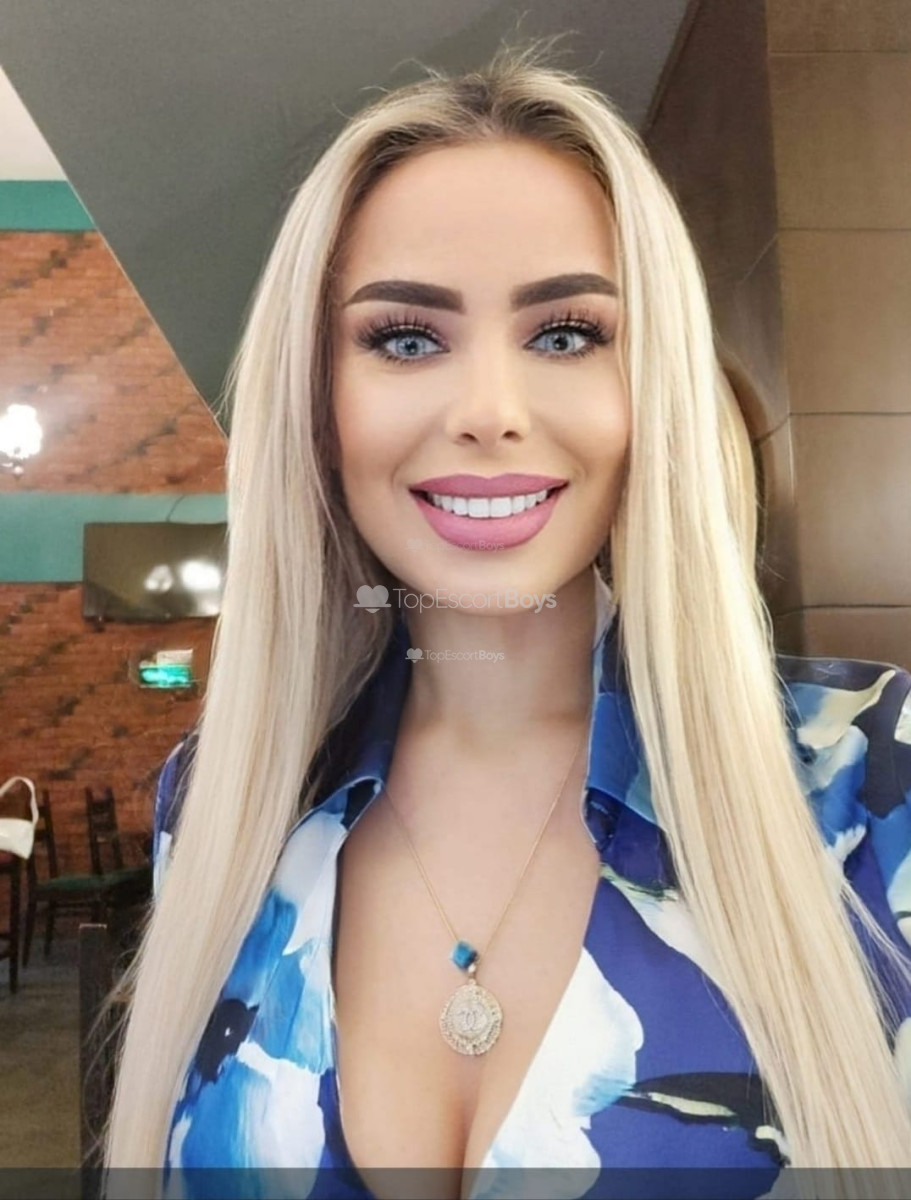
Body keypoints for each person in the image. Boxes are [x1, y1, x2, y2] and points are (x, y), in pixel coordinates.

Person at [103, 39, 911, 1200]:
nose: (488, 411)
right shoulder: (221, 801)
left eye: (565, 334)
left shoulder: (871, 777)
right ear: (318, 402)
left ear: (652, 387)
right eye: (405, 338)